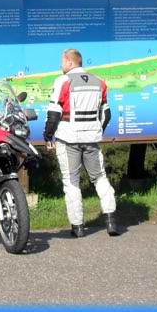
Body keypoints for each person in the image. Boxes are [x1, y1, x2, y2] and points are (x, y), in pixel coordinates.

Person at [44, 48, 120, 238]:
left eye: (62, 61)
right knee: (100, 178)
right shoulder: (99, 82)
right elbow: (106, 114)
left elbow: (54, 113)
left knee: (71, 182)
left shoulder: (62, 81)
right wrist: (96, 131)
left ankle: (78, 227)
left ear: (70, 62)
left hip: (68, 137)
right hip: (92, 139)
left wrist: (48, 135)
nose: (61, 65)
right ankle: (111, 221)